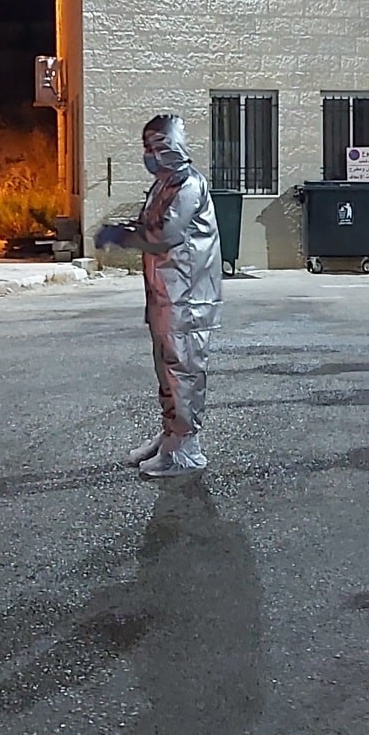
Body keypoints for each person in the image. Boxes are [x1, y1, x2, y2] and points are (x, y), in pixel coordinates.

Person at [94, 114, 223, 479]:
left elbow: (165, 235)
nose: (150, 155)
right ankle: (171, 435)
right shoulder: (164, 185)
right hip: (166, 293)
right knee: (167, 369)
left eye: (157, 146)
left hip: (188, 296)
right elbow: (151, 226)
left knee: (183, 370)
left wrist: (122, 237)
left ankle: (185, 446)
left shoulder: (188, 185)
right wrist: (126, 230)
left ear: (174, 147)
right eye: (147, 147)